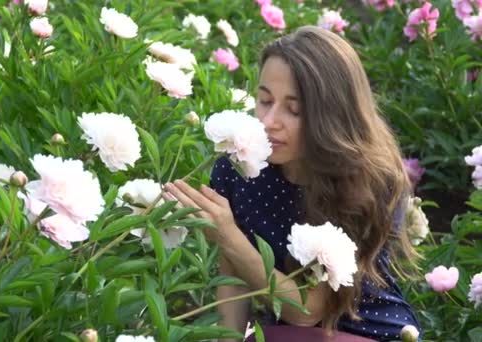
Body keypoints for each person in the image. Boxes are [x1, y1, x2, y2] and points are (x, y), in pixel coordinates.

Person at [163, 26, 422, 341]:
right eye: (264, 100)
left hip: (369, 331)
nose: (269, 121)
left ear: (332, 117)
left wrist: (227, 235)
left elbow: (306, 310)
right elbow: (232, 272)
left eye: (294, 109)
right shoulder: (237, 167)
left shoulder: (370, 181)